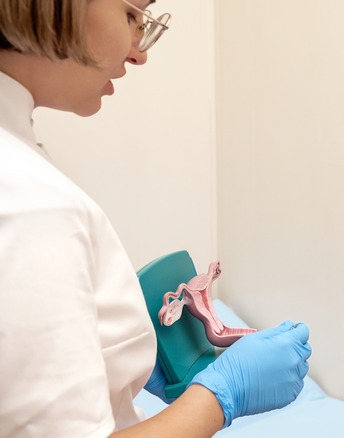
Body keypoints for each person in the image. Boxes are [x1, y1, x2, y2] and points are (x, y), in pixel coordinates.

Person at [0, 1, 311, 437]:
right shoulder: (31, 200)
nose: (139, 52)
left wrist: (109, 351)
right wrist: (220, 396)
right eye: (131, 16)